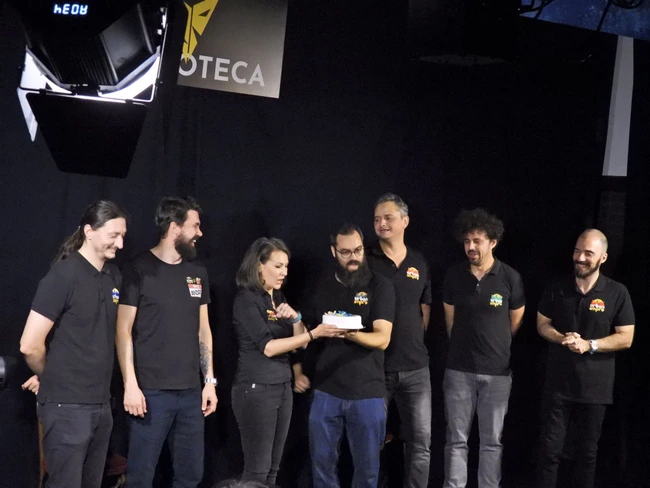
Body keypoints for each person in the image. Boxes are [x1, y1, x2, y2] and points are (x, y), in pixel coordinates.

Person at [19, 200, 128, 488]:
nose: (120, 243)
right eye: (114, 235)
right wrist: (50, 376)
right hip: (67, 407)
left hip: (101, 406)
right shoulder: (63, 276)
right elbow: (29, 345)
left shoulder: (113, 276)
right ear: (89, 232)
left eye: (123, 236)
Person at [116, 196, 217, 487]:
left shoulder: (197, 273)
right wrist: (130, 385)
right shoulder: (139, 268)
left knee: (190, 476)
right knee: (140, 477)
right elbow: (122, 330)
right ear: (174, 228)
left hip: (190, 394)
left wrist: (209, 381)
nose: (200, 233)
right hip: (150, 393)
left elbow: (204, 330)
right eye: (195, 226)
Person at [231, 237, 343, 486]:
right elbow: (269, 348)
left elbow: (300, 344)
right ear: (259, 265)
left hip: (281, 387)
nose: (284, 272)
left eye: (286, 266)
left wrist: (296, 319)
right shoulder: (247, 300)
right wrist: (315, 333)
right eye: (278, 266)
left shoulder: (277, 297)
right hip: (256, 389)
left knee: (273, 469)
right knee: (257, 471)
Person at [294, 223, 395, 488]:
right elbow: (306, 332)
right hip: (326, 389)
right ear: (334, 251)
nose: (353, 258)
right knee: (322, 467)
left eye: (358, 250)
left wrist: (349, 333)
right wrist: (297, 367)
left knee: (368, 470)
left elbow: (383, 339)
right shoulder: (321, 285)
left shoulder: (379, 285)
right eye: (346, 252)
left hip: (367, 392)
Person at [535, 229, 635, 488]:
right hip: (558, 386)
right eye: (577, 251)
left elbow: (626, 337)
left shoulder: (617, 292)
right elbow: (542, 324)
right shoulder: (557, 287)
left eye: (588, 253)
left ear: (603, 257)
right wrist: (562, 338)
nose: (580, 258)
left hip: (595, 389)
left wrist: (589, 345)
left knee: (586, 456)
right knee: (549, 452)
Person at [442, 208, 525, 488]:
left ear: (493, 242)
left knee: (492, 442)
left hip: (497, 373)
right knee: (456, 440)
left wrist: (494, 345)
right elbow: (450, 320)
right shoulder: (454, 275)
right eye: (467, 241)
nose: (471, 247)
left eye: (477, 241)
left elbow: (515, 321)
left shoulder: (510, 277)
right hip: (458, 370)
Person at [366, 193, 432, 488]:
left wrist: (413, 340)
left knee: (420, 443)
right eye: (377, 219)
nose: (381, 223)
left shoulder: (419, 261)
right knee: (370, 441)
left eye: (388, 218)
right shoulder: (366, 259)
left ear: (405, 221)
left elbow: (425, 308)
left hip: (416, 368)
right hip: (375, 366)